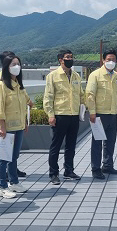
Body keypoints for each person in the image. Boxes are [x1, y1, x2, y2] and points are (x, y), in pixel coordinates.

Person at [43, 49, 84, 185]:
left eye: (71, 57)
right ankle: (53, 173)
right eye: (67, 57)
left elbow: (81, 94)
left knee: (71, 145)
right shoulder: (53, 76)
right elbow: (48, 97)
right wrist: (50, 115)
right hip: (60, 115)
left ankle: (69, 170)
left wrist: (88, 106)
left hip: (74, 115)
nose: (70, 59)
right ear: (60, 60)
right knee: (56, 145)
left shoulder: (76, 76)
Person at [0, 54, 30, 198]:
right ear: (6, 68)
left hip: (19, 127)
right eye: (12, 64)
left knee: (14, 156)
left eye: (18, 64)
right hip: (7, 128)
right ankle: (2, 186)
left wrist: (25, 122)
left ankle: (14, 182)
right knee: (3, 158)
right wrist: (2, 126)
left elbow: (24, 106)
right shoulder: (1, 86)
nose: (16, 67)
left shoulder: (19, 86)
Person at [85, 49, 117, 180]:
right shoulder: (95, 75)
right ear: (103, 60)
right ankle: (95, 169)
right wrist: (92, 112)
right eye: (108, 59)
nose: (111, 62)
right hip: (99, 114)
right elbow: (90, 95)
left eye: (113, 59)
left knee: (110, 141)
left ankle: (107, 165)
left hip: (112, 114)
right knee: (97, 143)